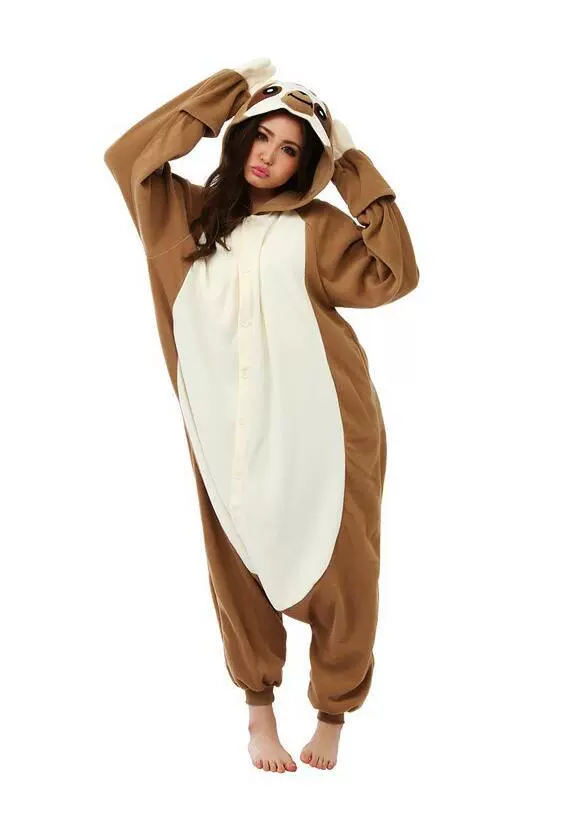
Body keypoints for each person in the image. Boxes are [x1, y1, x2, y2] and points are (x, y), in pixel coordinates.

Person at [103, 57, 419, 773]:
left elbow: (395, 273)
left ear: (308, 165)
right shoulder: (181, 220)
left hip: (327, 427)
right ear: (239, 135)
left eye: (291, 149)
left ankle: (333, 710)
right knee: (237, 562)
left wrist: (351, 166)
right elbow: (128, 158)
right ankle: (258, 715)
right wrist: (222, 94)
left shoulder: (317, 228)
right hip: (225, 431)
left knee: (345, 569)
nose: (269, 157)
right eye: (261, 137)